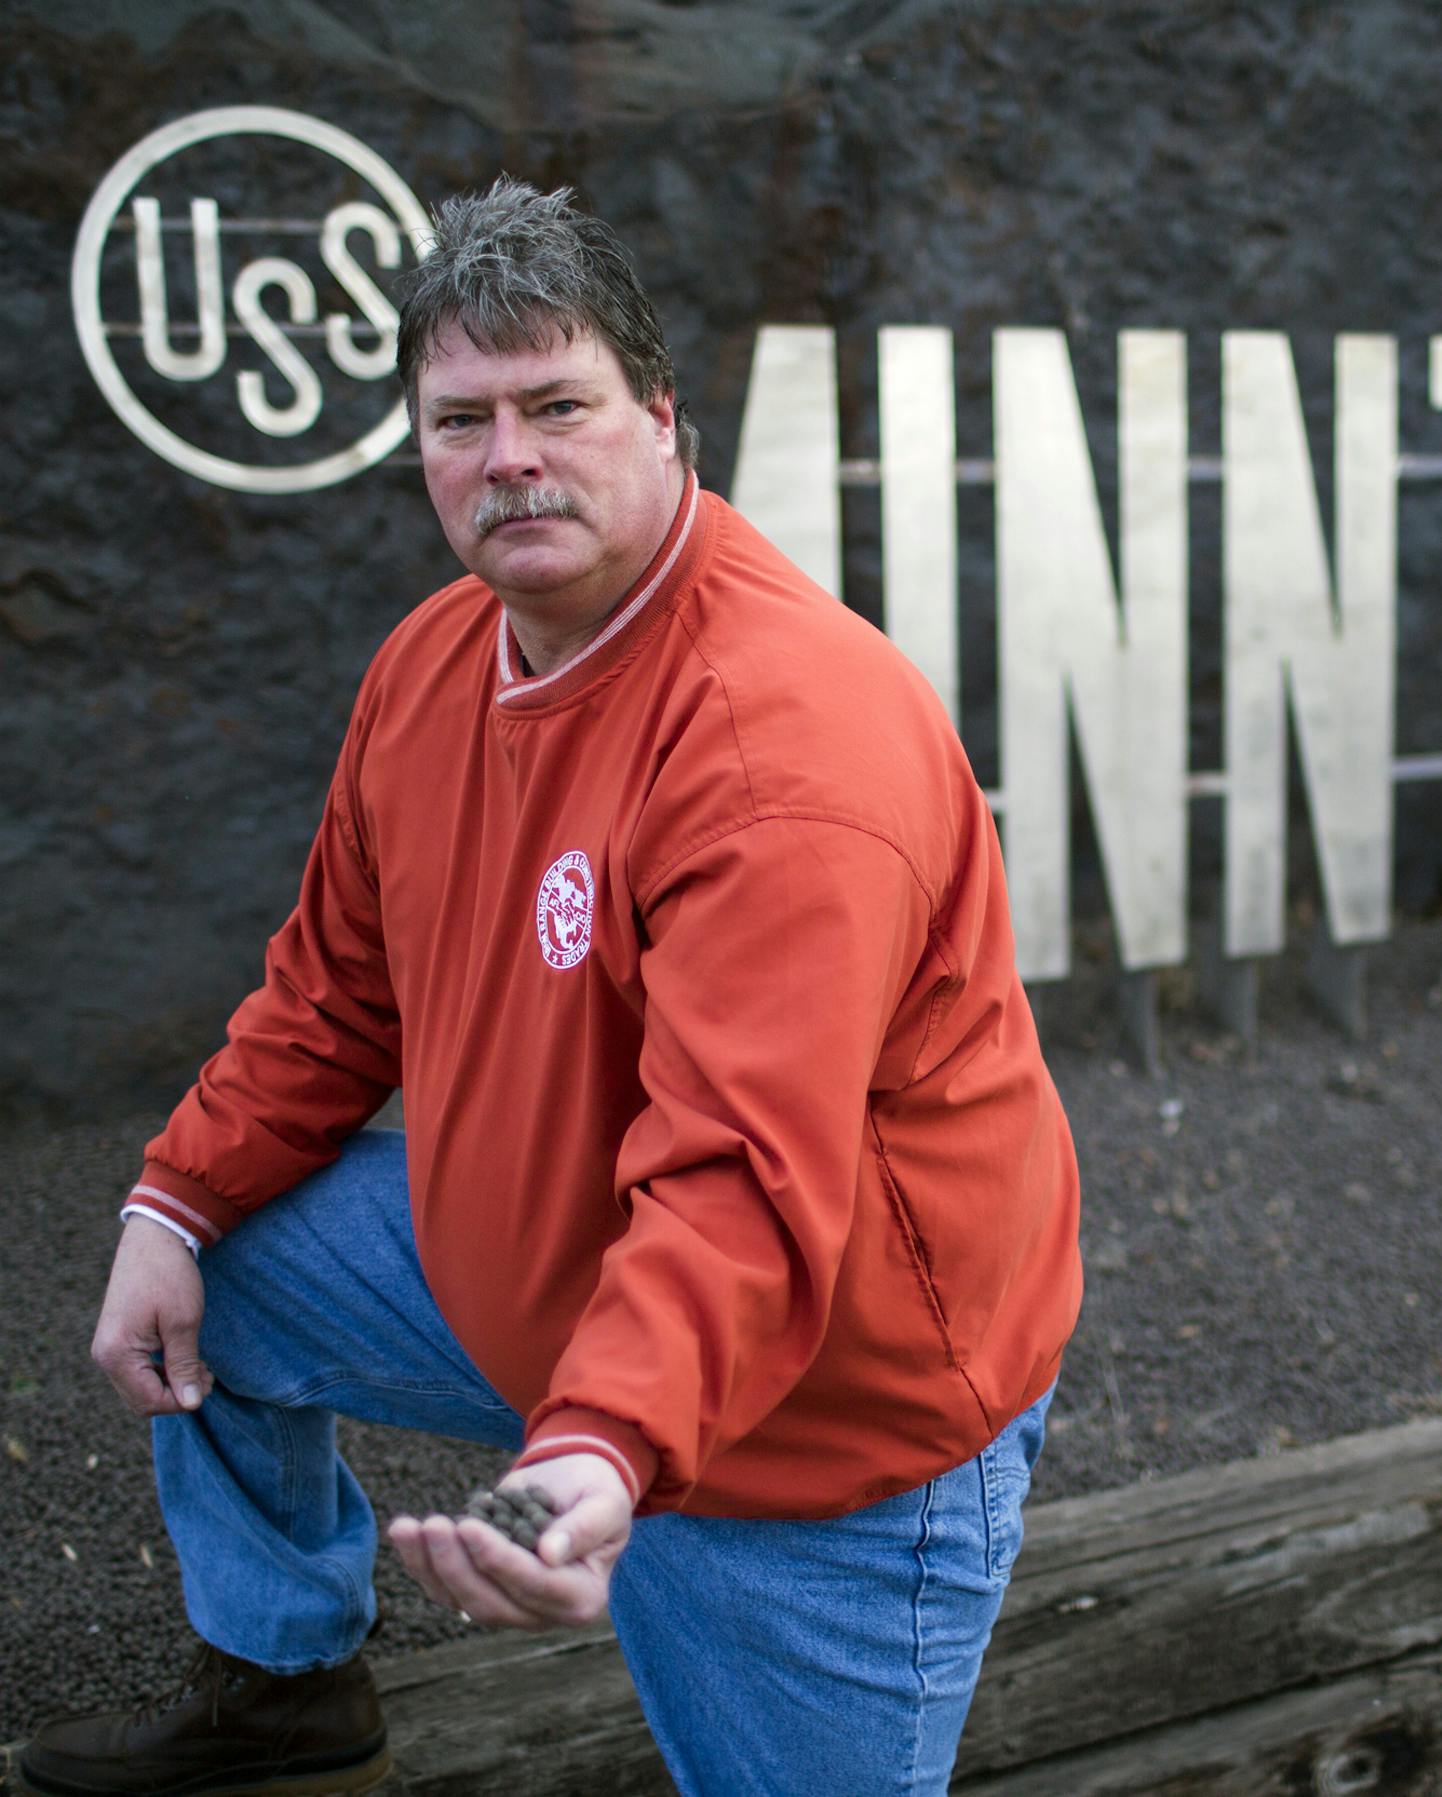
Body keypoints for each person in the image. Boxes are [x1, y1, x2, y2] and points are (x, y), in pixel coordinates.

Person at [20, 177, 1083, 1797]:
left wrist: (595, 1442)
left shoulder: (778, 744)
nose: (508, 454)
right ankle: (287, 1686)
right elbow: (331, 995)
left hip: (806, 1427)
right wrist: (170, 1202)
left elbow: (738, 1184)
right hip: (554, 1296)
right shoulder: (434, 661)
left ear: (665, 424)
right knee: (217, 1270)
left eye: (557, 404)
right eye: (461, 419)